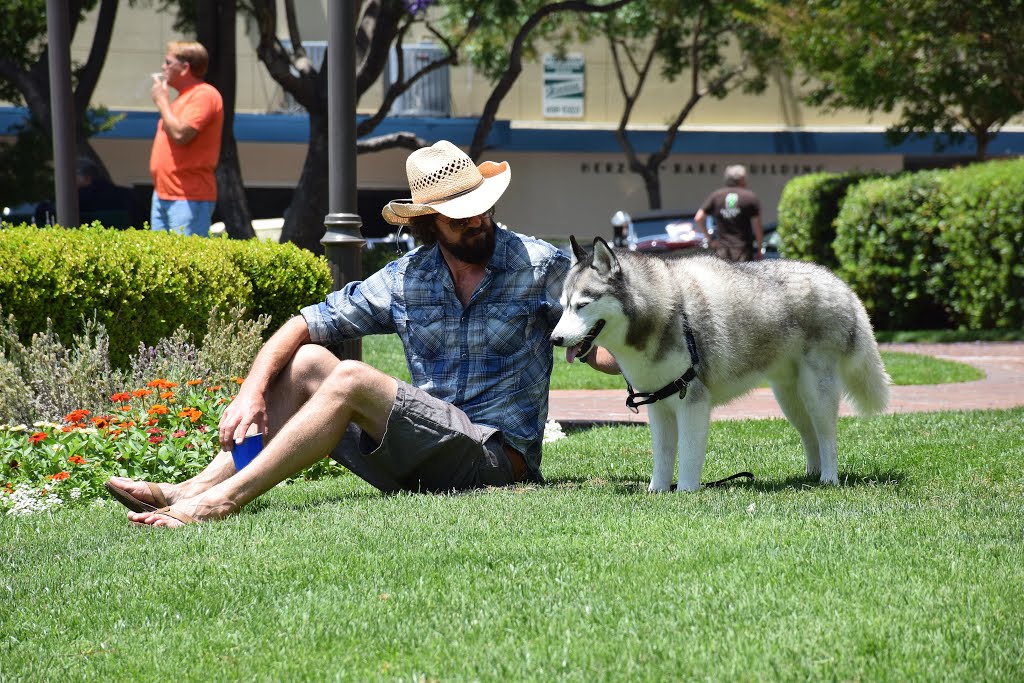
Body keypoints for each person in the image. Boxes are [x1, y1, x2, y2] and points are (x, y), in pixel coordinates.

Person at [107, 140, 618, 527]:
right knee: (308, 363)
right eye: (459, 217)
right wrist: (252, 390)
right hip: (416, 463)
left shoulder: (539, 265)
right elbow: (305, 322)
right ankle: (190, 488)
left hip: (494, 459)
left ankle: (222, 501)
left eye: (480, 208)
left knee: (349, 376)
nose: (477, 221)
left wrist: (636, 350)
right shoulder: (405, 277)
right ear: (429, 222)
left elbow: (602, 348)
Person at [148, 41, 223, 237]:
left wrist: (162, 101)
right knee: (161, 263)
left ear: (185, 68)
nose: (163, 67)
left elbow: (181, 134)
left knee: (186, 264)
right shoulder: (183, 98)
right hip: (164, 194)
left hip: (188, 197)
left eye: (168, 62)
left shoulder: (204, 95)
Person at [694, 164, 764, 262]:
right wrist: (759, 249)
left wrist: (710, 240)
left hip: (722, 250)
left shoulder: (716, 196)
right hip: (743, 250)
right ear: (742, 179)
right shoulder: (750, 197)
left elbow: (698, 218)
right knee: (743, 277)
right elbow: (757, 227)